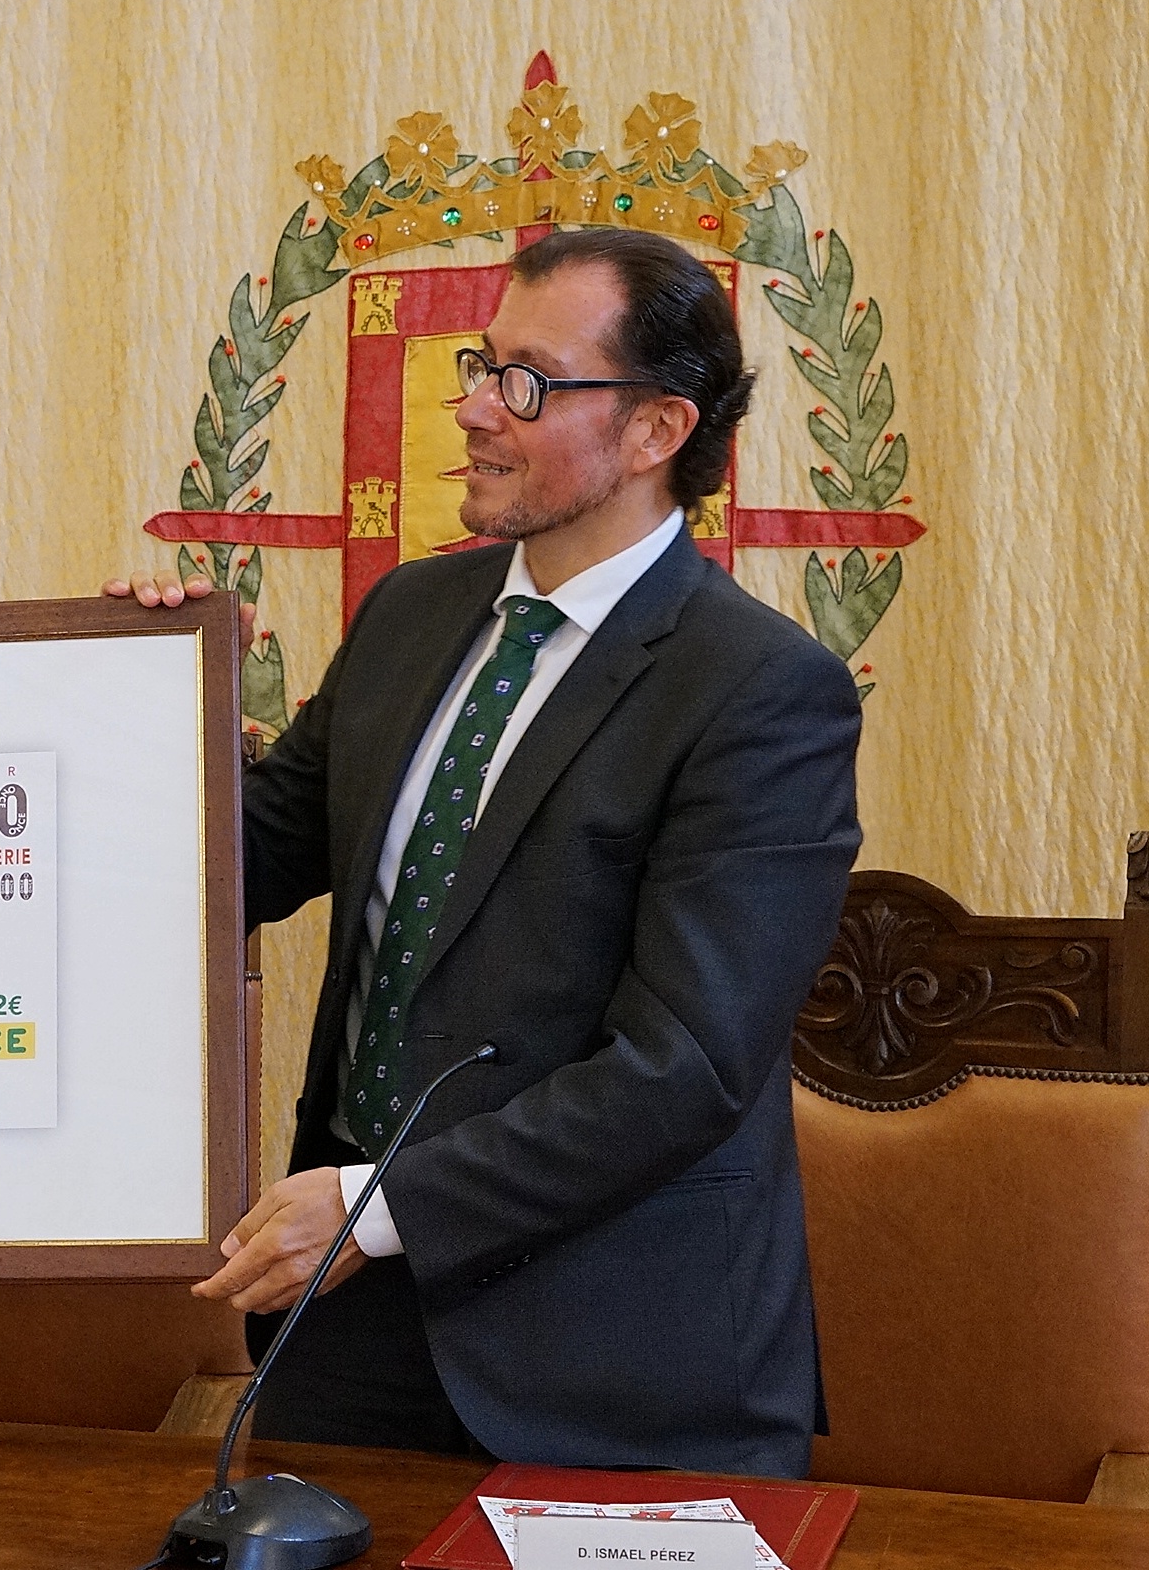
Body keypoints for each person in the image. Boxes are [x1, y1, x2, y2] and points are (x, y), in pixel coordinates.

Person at [111, 227, 861, 1473]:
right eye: (480, 366)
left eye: (526, 381)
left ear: (656, 429)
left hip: (616, 1366)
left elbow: (682, 1068)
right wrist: (132, 701)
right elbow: (240, 861)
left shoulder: (759, 692)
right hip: (349, 1336)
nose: (470, 409)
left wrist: (381, 1206)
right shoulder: (411, 614)